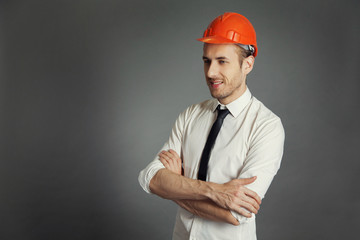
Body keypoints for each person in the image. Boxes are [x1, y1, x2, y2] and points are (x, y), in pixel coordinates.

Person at [138, 12, 285, 240]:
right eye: (207, 61)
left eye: (222, 61)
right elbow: (150, 178)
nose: (210, 72)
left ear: (248, 64)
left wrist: (176, 186)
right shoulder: (190, 115)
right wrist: (215, 192)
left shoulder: (267, 127)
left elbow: (236, 213)